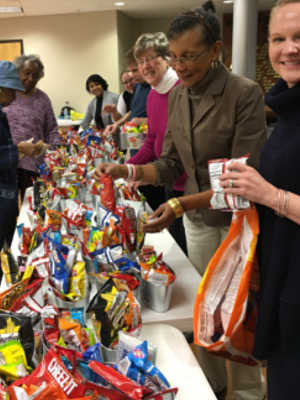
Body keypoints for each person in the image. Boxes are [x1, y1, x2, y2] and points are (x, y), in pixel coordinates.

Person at [94, 7, 266, 400]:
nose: (180, 65)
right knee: (204, 310)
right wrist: (127, 171)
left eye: (189, 56)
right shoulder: (180, 97)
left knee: (236, 318)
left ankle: (246, 394)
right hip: (199, 220)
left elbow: (243, 180)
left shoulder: (243, 94)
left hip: (238, 224)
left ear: (215, 51)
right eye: (175, 56)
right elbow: (170, 163)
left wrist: (180, 205)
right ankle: (213, 385)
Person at [218, 1, 300, 398]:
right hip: (284, 280)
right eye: (279, 39)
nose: (289, 48)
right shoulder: (288, 107)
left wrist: (269, 194)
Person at [127, 31, 186, 252]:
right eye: (140, 61)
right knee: (175, 246)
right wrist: (127, 169)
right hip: (169, 181)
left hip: (190, 187)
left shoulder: (182, 89)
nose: (145, 66)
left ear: (167, 58)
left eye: (151, 59)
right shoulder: (153, 95)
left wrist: (137, 171)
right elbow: (152, 142)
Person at [4, 55, 59, 200]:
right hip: (7, 162)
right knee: (8, 207)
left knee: (37, 205)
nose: (30, 78)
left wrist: (54, 151)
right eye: (27, 73)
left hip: (34, 163)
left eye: (35, 75)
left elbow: (52, 127)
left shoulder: (43, 99)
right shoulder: (6, 95)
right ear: (18, 72)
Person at [0, 61, 36, 250]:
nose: (14, 96)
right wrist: (19, 150)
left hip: (7, 191)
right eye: (11, 91)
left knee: (8, 237)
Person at [104, 49, 151, 136]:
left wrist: (143, 121)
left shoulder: (154, 88)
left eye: (135, 70)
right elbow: (132, 111)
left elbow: (166, 120)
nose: (132, 75)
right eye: (130, 71)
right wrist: (117, 124)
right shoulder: (137, 87)